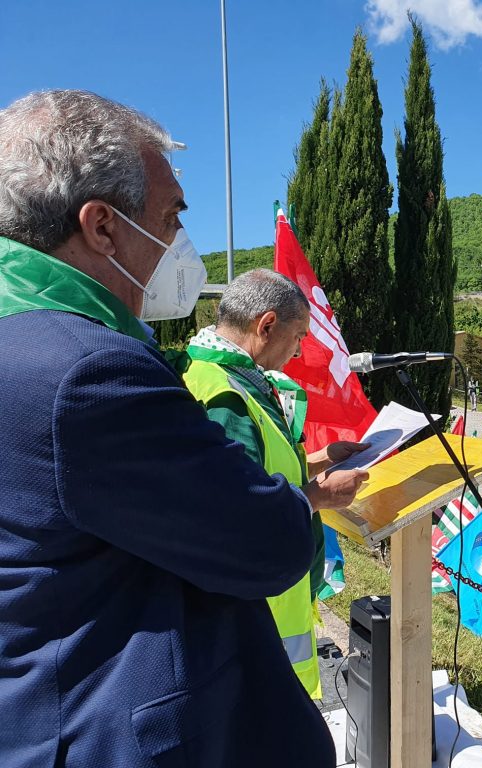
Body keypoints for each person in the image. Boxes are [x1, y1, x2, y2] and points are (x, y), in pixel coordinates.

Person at [0, 90, 362, 766]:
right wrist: (301, 500)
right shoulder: (86, 371)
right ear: (102, 227)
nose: (178, 243)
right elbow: (262, 542)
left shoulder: (20, 334)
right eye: (171, 216)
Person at [183, 270, 371, 699]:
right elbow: (240, 514)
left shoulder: (220, 375)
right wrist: (319, 496)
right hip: (258, 620)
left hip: (263, 610)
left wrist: (322, 458)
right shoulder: (227, 398)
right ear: (266, 325)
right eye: (298, 335)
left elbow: (261, 468)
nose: (299, 349)